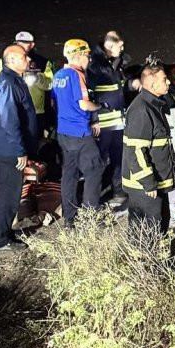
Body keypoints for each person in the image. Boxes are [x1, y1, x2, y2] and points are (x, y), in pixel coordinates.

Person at [0, 44, 38, 251]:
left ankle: (4, 230)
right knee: (7, 193)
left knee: (5, 192)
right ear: (12, 60)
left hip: (4, 147)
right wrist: (19, 150)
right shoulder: (8, 83)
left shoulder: (12, 80)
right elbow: (9, 120)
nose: (28, 59)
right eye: (24, 56)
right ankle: (0, 239)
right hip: (7, 149)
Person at [53, 39, 105, 225]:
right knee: (94, 170)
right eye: (87, 56)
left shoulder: (58, 75)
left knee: (69, 174)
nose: (89, 60)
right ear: (79, 55)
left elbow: (55, 103)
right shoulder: (77, 75)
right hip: (80, 133)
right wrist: (100, 107)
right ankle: (91, 216)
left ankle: (69, 218)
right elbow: (83, 103)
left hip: (63, 133)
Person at [122, 60, 175, 233]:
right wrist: (148, 182)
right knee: (146, 232)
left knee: (160, 226)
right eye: (164, 79)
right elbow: (135, 150)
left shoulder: (153, 105)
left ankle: (157, 259)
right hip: (144, 189)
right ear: (152, 84)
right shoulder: (142, 110)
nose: (168, 82)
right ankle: (144, 260)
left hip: (155, 184)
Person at [87, 30, 140, 204]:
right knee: (99, 162)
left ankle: (119, 191)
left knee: (119, 158)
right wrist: (94, 120)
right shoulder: (95, 64)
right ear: (110, 46)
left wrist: (132, 84)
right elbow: (90, 93)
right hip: (102, 122)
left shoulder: (114, 63)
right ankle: (93, 200)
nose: (123, 48)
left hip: (117, 121)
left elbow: (118, 86)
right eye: (121, 45)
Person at [0, 31, 53, 135]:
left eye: (24, 42)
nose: (20, 45)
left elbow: (49, 84)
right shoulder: (7, 60)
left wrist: (37, 77)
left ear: (32, 44)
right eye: (18, 42)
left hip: (35, 110)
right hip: (15, 108)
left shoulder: (42, 62)